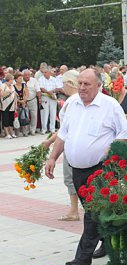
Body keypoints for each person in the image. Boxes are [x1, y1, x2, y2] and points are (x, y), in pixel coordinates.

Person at [45, 69, 127, 265]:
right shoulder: (72, 103)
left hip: (100, 169)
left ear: (99, 86)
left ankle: (83, 257)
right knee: (95, 212)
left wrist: (110, 155)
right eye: (80, 83)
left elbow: (124, 135)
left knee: (92, 213)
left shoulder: (110, 106)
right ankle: (108, 243)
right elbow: (63, 134)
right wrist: (52, 157)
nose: (82, 88)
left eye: (87, 84)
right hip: (77, 169)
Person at [42, 70, 81, 222]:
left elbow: (65, 129)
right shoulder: (79, 99)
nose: (62, 87)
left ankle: (73, 211)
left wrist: (50, 143)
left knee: (70, 178)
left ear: (69, 83)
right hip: (77, 144)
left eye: (63, 83)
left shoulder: (72, 101)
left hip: (71, 145)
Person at [23, 69, 41, 135]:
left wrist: (39, 99)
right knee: (25, 116)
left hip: (33, 100)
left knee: (34, 115)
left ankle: (33, 130)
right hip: (24, 101)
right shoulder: (20, 81)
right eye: (26, 75)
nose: (27, 76)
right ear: (23, 76)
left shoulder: (34, 80)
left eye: (28, 75)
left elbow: (38, 90)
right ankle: (26, 131)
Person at [0, 73, 17, 139]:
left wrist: (15, 105)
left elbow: (15, 96)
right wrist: (8, 93)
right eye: (12, 79)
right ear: (9, 79)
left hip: (12, 106)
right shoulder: (3, 86)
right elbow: (1, 94)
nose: (13, 80)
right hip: (5, 106)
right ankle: (7, 134)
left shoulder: (12, 86)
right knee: (5, 120)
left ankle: (11, 133)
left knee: (11, 120)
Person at [13, 71, 29, 136]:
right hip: (17, 104)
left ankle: (25, 132)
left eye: (21, 78)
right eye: (19, 78)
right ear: (16, 79)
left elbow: (26, 94)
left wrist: (24, 101)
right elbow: (14, 96)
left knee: (24, 117)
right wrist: (19, 101)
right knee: (16, 118)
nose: (21, 79)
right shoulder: (13, 86)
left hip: (24, 104)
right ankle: (17, 132)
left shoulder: (24, 85)